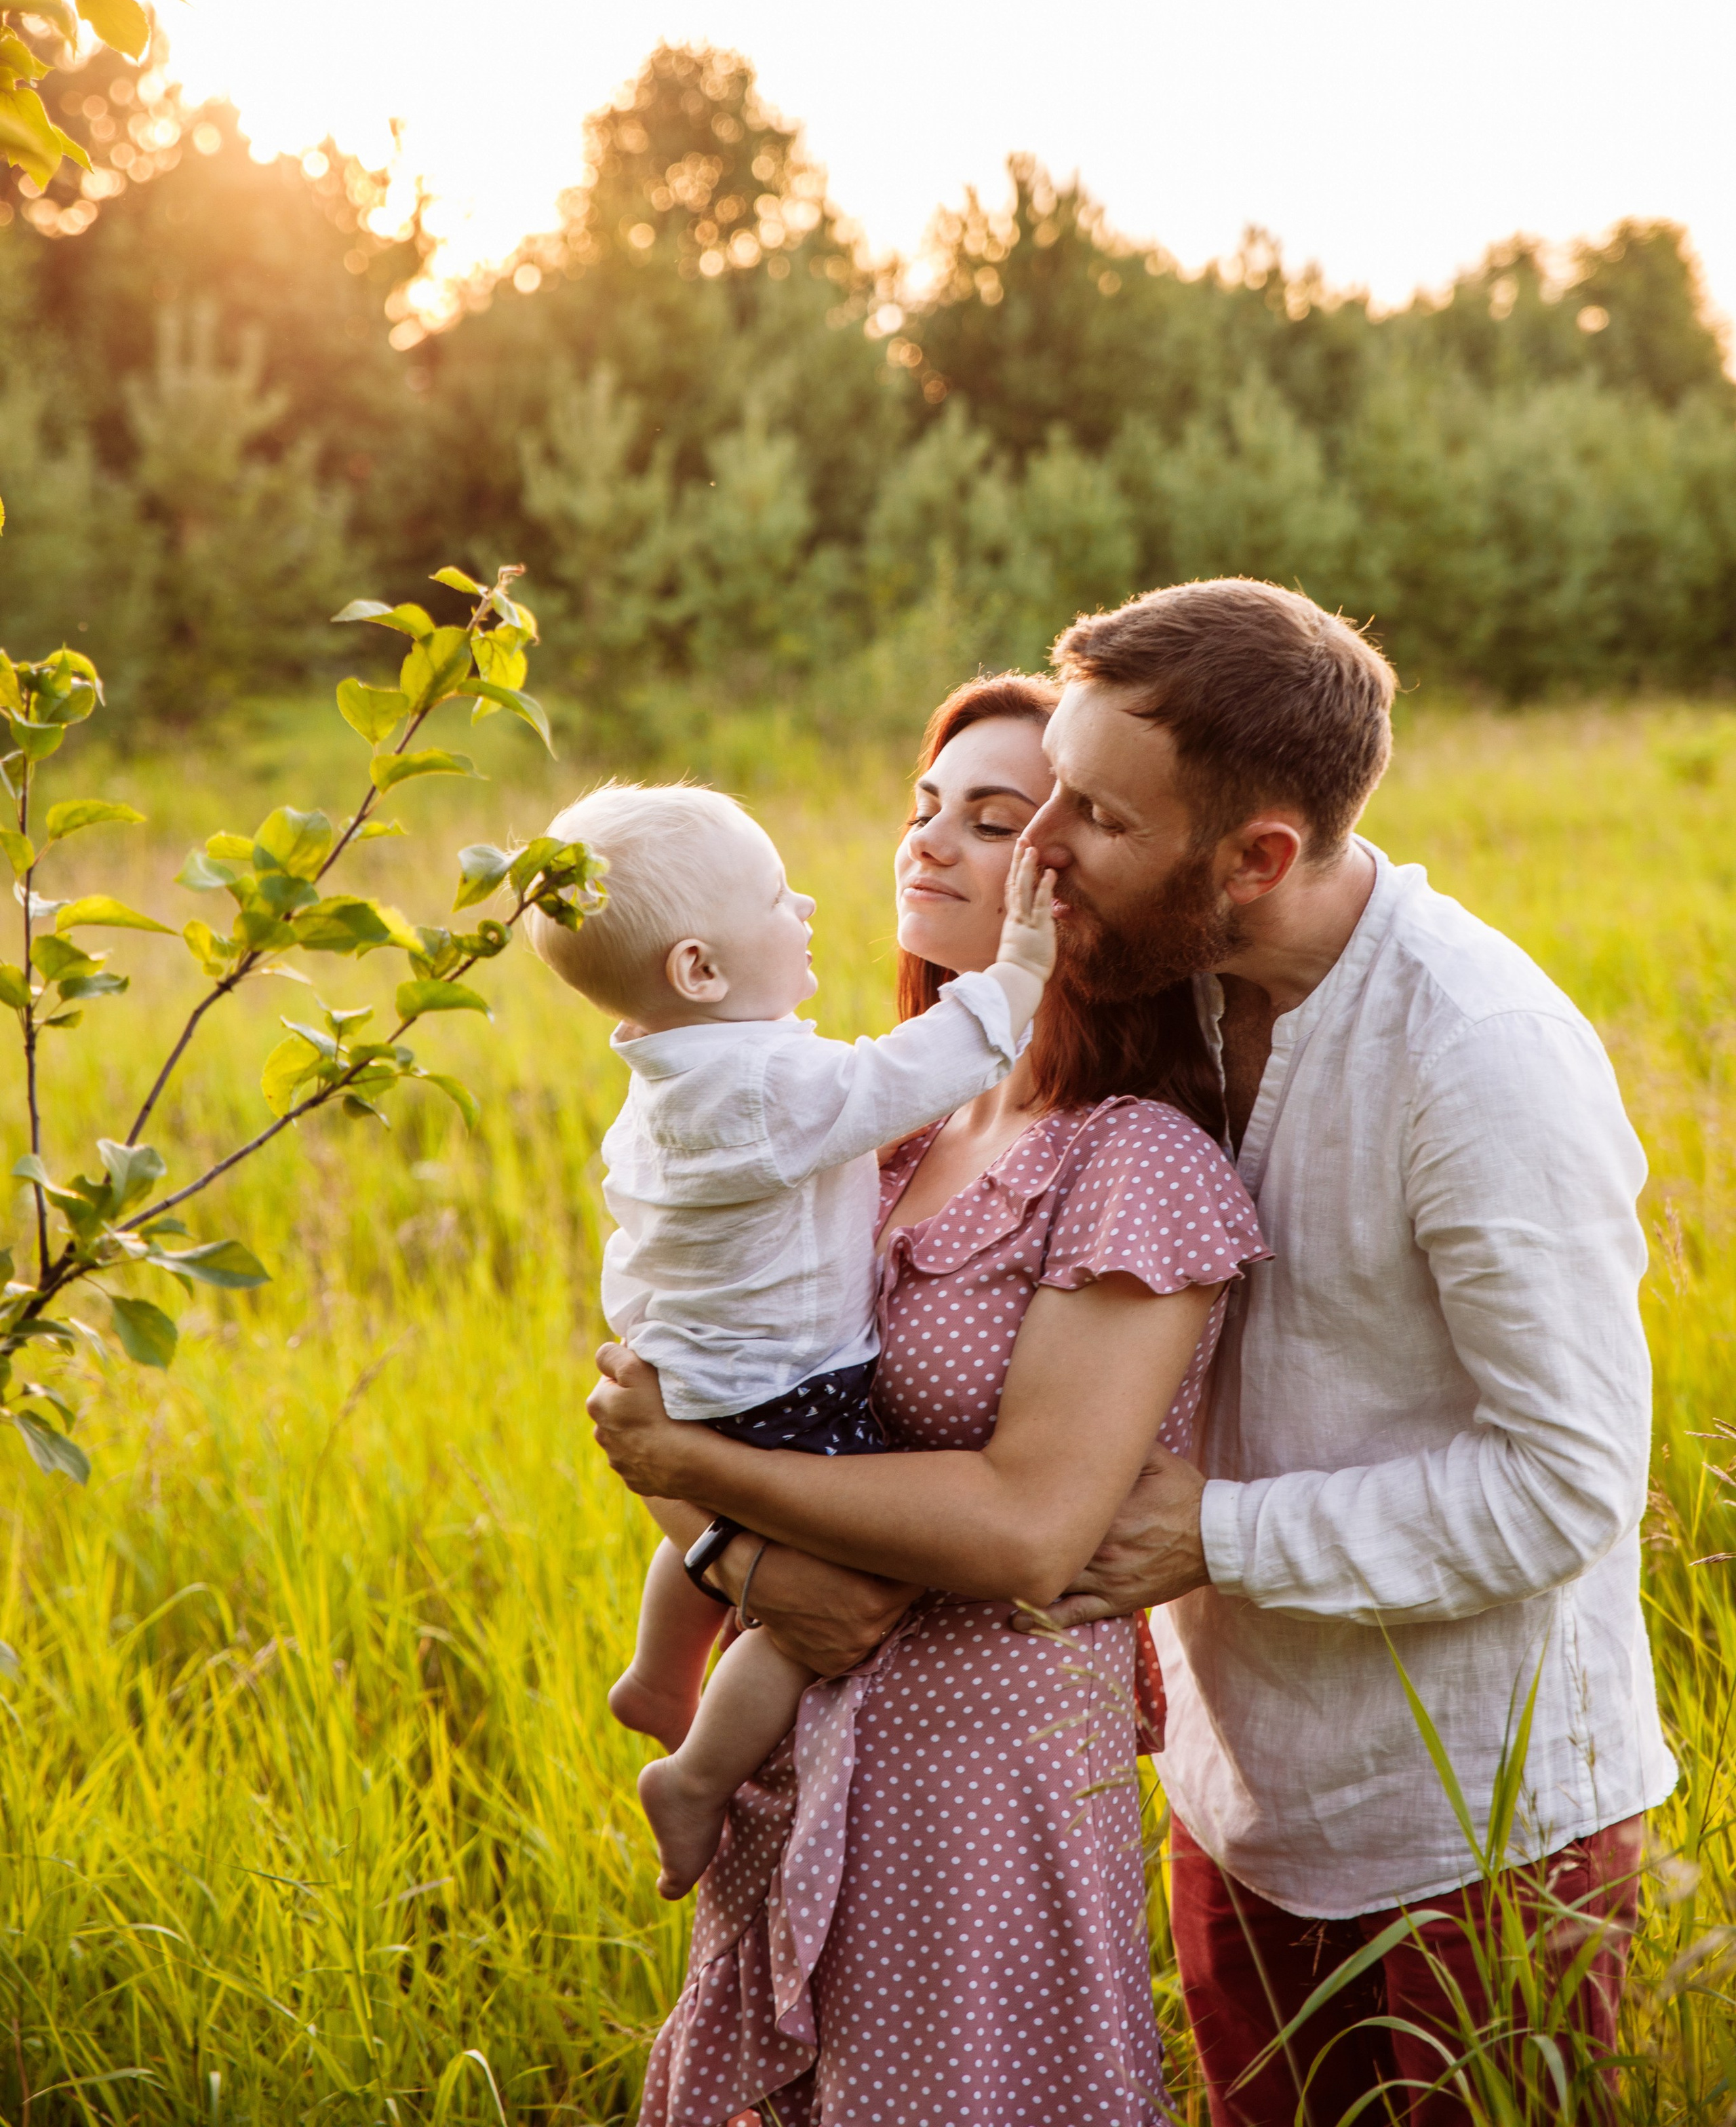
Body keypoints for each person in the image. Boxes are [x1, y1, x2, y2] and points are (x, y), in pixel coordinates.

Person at [1006, 577, 1675, 2122]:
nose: (1043, 846)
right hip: (1238, 1806)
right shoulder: (1172, 996)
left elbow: (1564, 1486)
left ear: (1257, 858)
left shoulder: (1476, 1054)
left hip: (1477, 1835)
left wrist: (1213, 1534)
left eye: (1098, 817)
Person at [588, 675, 1271, 2127]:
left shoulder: (1126, 1162)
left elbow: (1026, 1535)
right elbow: (649, 1403)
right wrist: (740, 1558)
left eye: (991, 821)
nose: (927, 843)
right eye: (921, 806)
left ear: (1069, 885)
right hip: (794, 1755)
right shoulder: (867, 1131)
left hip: (976, 1792)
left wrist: (685, 1471)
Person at [526, 779, 1058, 1899]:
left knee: (709, 1533)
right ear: (700, 972)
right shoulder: (767, 1084)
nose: (807, 905)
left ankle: (658, 1673)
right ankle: (698, 1773)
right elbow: (902, 1076)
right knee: (821, 1606)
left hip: (693, 1375)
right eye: (776, 899)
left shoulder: (670, 1074)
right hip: (786, 1390)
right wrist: (1017, 972)